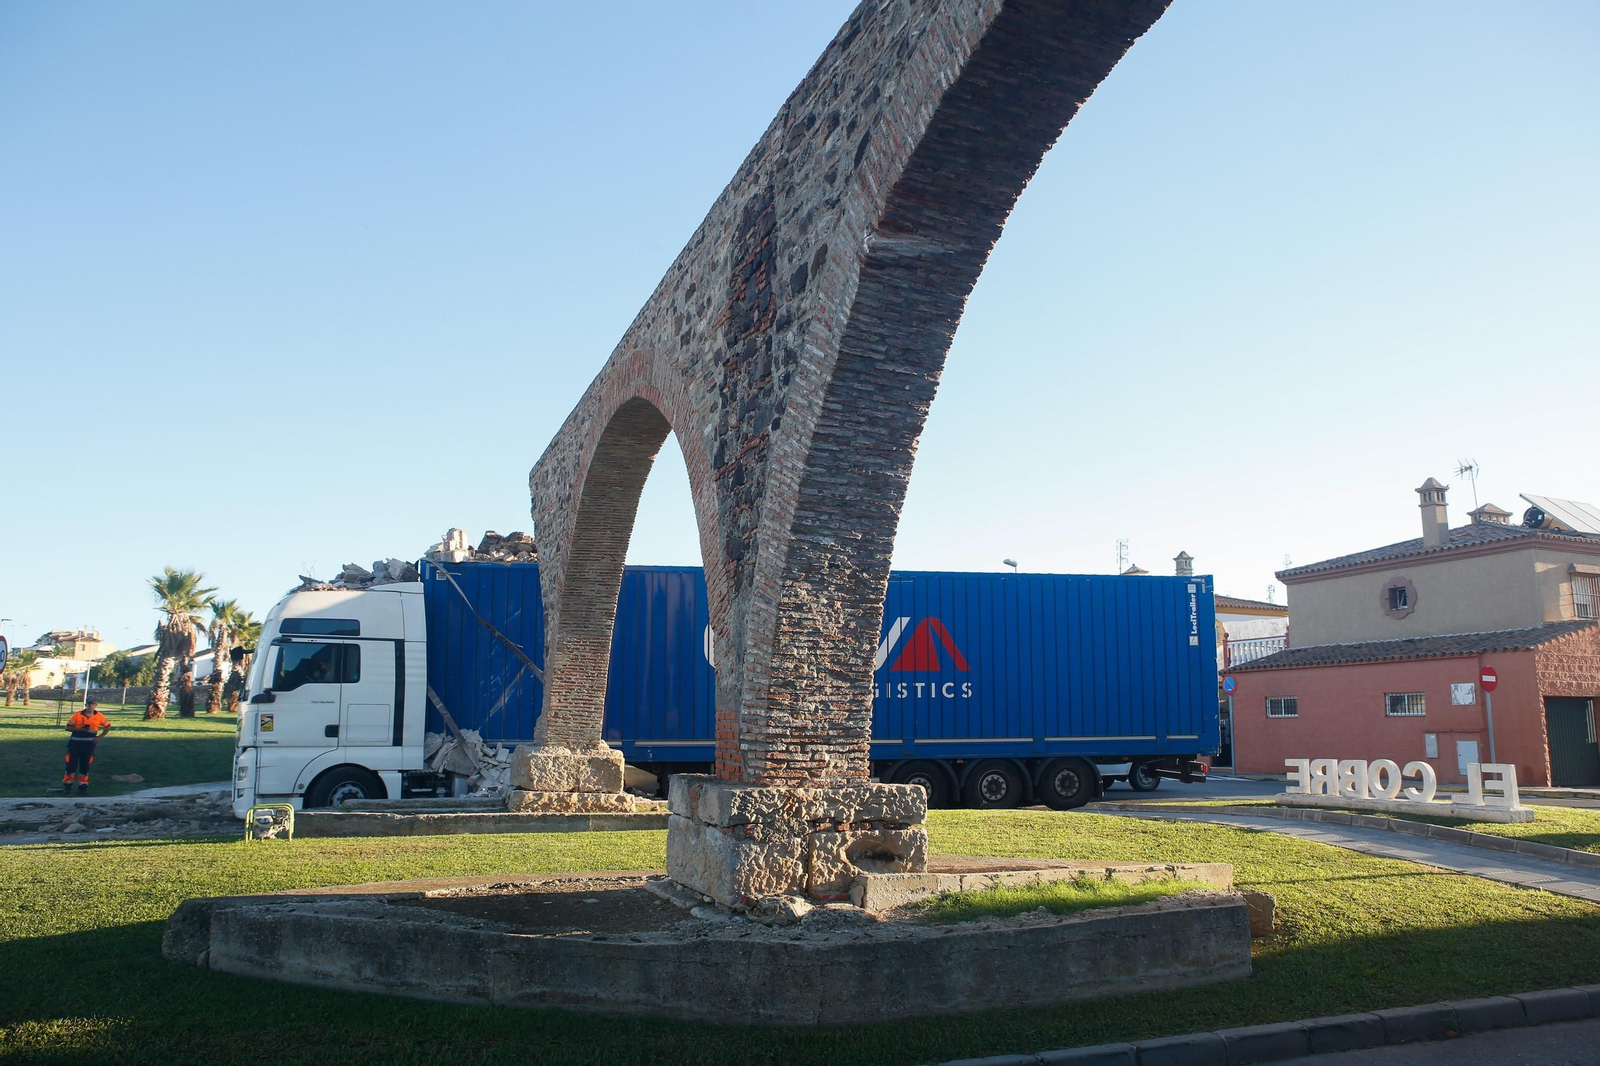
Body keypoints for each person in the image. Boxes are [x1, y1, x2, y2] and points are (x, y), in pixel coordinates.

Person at [62, 700, 111, 795]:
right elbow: (68, 727)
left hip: (89, 745)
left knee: (85, 766)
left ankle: (83, 787)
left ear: (96, 706)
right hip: (75, 744)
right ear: (86, 705)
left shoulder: (99, 716)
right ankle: (67, 786)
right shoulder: (78, 714)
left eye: (93, 705)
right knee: (71, 765)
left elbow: (108, 726)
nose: (91, 706)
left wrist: (99, 737)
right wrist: (79, 730)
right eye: (89, 704)